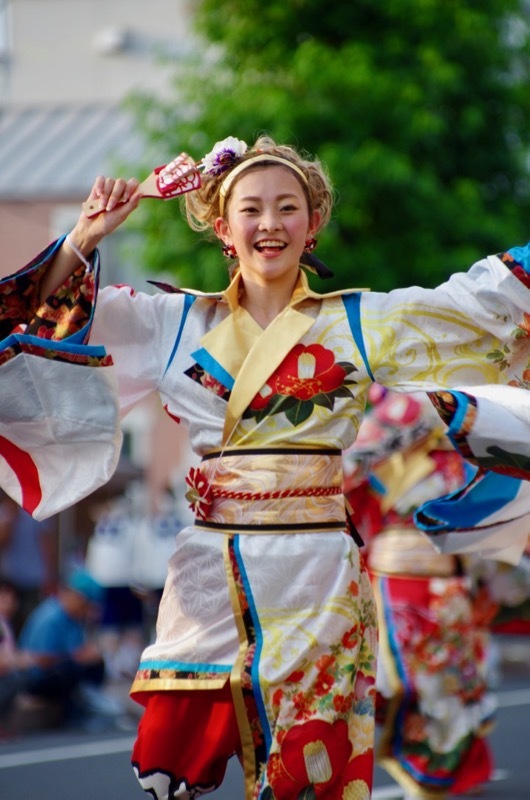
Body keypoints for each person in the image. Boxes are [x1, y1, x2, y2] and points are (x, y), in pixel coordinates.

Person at [1, 135, 530, 799]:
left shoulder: (358, 323)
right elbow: (38, 341)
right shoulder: (171, 323)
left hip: (318, 570)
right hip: (210, 568)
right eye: (251, 209)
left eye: (288, 208)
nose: (270, 224)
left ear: (313, 225)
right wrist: (84, 235)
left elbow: (475, 309)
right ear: (224, 227)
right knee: (167, 768)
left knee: (309, 769)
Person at [343, 387, 497, 799]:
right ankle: (421, 762)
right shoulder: (394, 411)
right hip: (400, 572)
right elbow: (349, 474)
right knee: (407, 679)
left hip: (452, 573)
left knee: (452, 677)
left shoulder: (459, 438)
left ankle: (446, 765)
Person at [17, 567, 122, 727]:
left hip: (61, 670)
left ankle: (91, 701)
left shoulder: (75, 619)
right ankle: (72, 713)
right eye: (86, 605)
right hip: (35, 677)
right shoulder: (50, 618)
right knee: (69, 668)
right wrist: (76, 657)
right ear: (78, 598)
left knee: (95, 663)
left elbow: (79, 648)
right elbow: (40, 659)